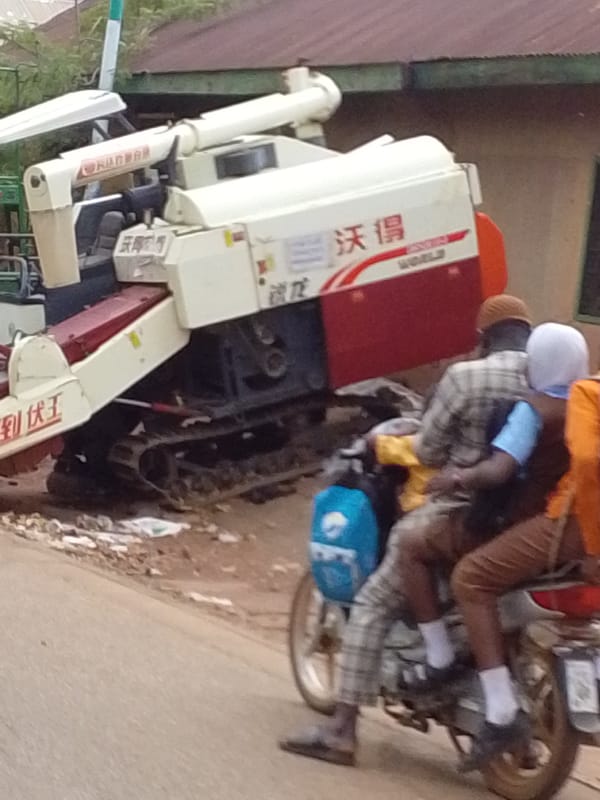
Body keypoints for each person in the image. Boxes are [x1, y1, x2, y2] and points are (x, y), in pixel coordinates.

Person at [279, 294, 532, 766]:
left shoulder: (465, 377)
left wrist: (402, 445)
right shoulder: (550, 380)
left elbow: (429, 450)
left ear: (483, 338)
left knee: (374, 601)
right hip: (530, 525)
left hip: (462, 512)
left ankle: (342, 731)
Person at [397, 322, 590, 770]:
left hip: (525, 523)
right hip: (574, 528)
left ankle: (449, 666)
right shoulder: (588, 407)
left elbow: (499, 471)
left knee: (436, 558)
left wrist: (456, 478)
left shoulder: (533, 410)